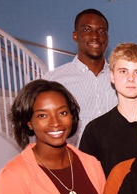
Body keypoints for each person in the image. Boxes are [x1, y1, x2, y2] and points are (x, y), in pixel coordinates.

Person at [43, 9, 117, 146]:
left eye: (101, 32)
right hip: (74, 161)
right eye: (87, 30)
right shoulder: (54, 80)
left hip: (117, 162)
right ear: (75, 35)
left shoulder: (121, 77)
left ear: (107, 39)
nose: (95, 36)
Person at [79, 43, 137, 177]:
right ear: (112, 76)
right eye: (123, 71)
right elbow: (87, 182)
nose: (131, 78)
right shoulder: (95, 130)